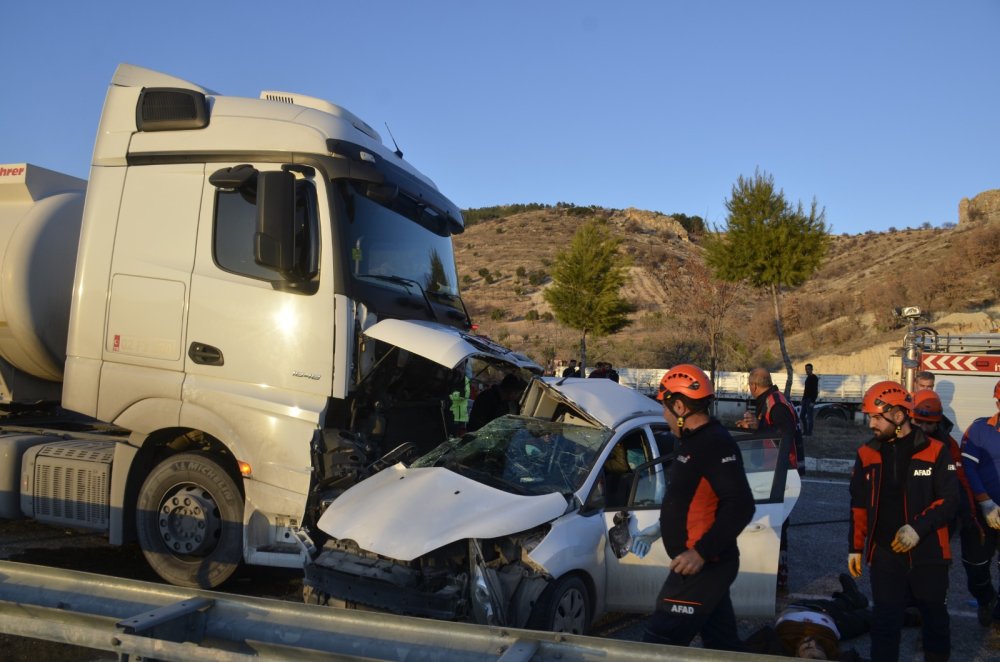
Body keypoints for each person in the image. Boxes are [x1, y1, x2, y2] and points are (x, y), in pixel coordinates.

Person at [629, 364, 754, 651]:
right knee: (721, 645)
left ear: (680, 407)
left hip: (703, 567)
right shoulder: (690, 441)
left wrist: (701, 552)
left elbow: (740, 505)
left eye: (665, 408)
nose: (664, 415)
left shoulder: (714, 444)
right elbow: (691, 499)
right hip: (703, 565)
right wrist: (660, 528)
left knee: (658, 645)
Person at [848, 381, 958, 662]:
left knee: (934, 619)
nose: (871, 424)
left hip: (929, 551)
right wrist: (856, 547)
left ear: (898, 416)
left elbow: (950, 500)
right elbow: (858, 504)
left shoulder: (936, 451)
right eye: (870, 417)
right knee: (884, 622)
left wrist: (917, 529)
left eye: (876, 417)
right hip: (885, 553)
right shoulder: (866, 453)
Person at [736, 367, 804, 590]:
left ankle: (777, 579)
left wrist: (760, 426)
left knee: (776, 525)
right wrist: (753, 428)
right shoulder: (771, 400)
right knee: (773, 524)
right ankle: (773, 577)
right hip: (774, 469)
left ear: (753, 386)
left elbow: (784, 434)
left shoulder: (775, 404)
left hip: (780, 471)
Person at [744, 573, 870, 660]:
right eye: (819, 646)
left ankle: (850, 600)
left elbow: (759, 639)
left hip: (799, 608)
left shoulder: (782, 648)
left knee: (835, 606)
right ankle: (851, 599)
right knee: (871, 618)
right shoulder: (832, 652)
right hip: (833, 621)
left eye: (808, 646)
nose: (812, 641)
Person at [957, 378, 1000, 626]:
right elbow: (968, 468)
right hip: (981, 513)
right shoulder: (980, 429)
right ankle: (986, 598)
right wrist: (985, 502)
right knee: (976, 565)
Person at [913, 370, 955, 437]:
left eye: (929, 386)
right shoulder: (907, 401)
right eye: (922, 386)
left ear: (933, 386)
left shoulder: (937, 405)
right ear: (915, 385)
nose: (925, 389)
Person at [801, 363, 819, 437]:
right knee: (802, 416)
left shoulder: (814, 378)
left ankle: (809, 433)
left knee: (809, 417)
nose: (807, 370)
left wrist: (813, 401)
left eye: (808, 369)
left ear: (812, 369)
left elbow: (815, 391)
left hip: (810, 400)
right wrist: (803, 399)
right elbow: (806, 390)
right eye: (806, 369)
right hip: (805, 399)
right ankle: (805, 431)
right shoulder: (808, 378)